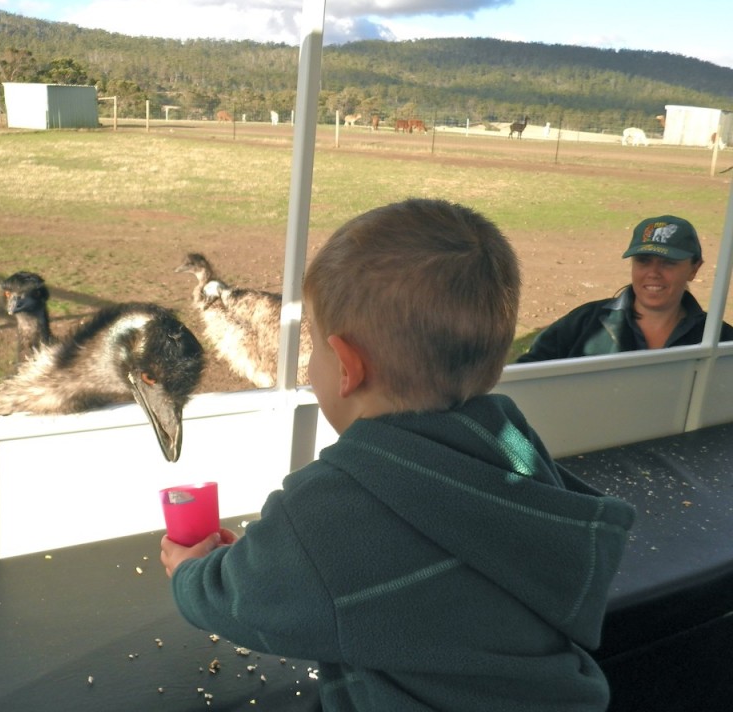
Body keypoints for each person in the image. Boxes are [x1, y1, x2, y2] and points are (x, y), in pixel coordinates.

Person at [160, 198, 635, 711]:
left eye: (315, 345)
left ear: (346, 365)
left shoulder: (330, 505)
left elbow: (243, 600)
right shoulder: (514, 446)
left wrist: (192, 571)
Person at [516, 214, 733, 363]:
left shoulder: (720, 339)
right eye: (643, 261)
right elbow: (525, 377)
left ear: (694, 269)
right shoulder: (585, 323)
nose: (653, 272)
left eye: (668, 263)